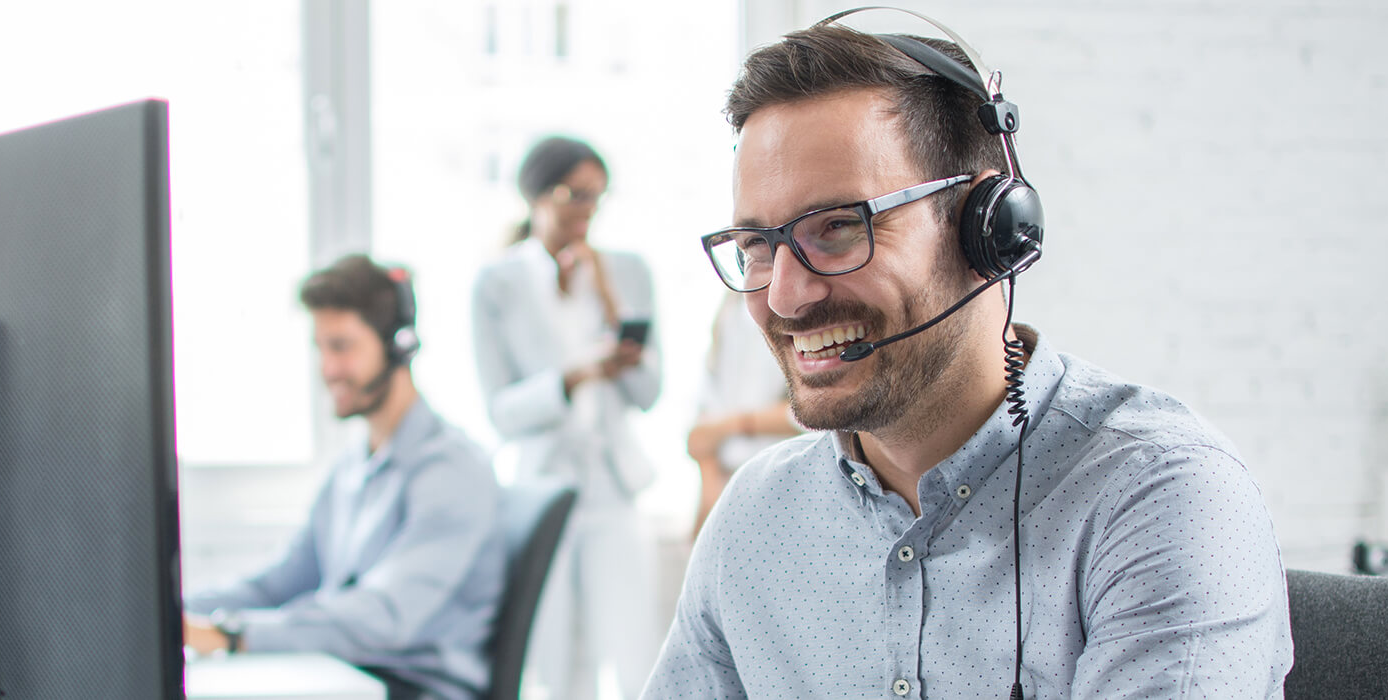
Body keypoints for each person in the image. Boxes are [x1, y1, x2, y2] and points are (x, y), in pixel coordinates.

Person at [645, 12, 1293, 699]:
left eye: (838, 228)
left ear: (989, 228)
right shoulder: (757, 518)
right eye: (756, 246)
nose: (784, 296)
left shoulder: (1158, 496)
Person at [184, 255, 505, 700]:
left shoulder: (450, 472)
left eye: (342, 347)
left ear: (399, 345)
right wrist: (174, 614)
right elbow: (278, 584)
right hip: (348, 678)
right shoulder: (352, 467)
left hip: (413, 690)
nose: (328, 369)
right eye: (321, 348)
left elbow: (384, 616)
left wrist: (229, 635)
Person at [471, 136, 662, 700]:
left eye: (596, 197)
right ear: (534, 195)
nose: (586, 210)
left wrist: (609, 304)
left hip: (613, 488)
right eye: (574, 195)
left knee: (637, 651)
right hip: (544, 488)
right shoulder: (497, 283)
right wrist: (574, 376)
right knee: (556, 663)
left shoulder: (626, 272)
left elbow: (648, 392)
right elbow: (502, 413)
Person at [687, 290, 799, 538]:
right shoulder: (729, 304)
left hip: (786, 487)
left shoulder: (794, 302)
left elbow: (809, 412)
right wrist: (709, 499)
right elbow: (701, 432)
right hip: (728, 485)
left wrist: (732, 425)